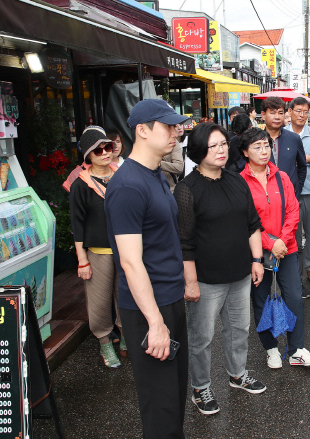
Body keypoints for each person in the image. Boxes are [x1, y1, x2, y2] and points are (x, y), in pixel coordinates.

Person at [105, 99, 190, 439]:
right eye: (167, 126)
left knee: (175, 399)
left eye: (176, 126)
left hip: (169, 298)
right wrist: (155, 323)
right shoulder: (127, 185)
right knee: (161, 408)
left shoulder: (154, 174)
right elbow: (129, 261)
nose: (176, 132)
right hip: (147, 308)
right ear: (142, 130)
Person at [175, 123, 266, 417]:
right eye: (214, 146)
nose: (221, 150)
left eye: (224, 144)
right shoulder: (187, 189)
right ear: (199, 150)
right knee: (202, 337)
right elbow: (185, 243)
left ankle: (237, 374)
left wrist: (257, 259)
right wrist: (191, 282)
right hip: (206, 278)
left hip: (240, 271)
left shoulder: (236, 180)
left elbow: (252, 223)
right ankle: (200, 387)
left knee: (239, 328)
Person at [239, 127, 310, 368]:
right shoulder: (240, 183)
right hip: (257, 253)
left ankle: (296, 349)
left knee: (294, 297)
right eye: (257, 147)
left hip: (287, 248)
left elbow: (293, 210)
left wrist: (282, 240)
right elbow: (244, 222)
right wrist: (271, 243)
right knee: (261, 300)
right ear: (245, 152)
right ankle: (271, 348)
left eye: (266, 146)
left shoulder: (282, 176)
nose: (264, 151)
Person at [70, 126, 124, 368]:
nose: (105, 153)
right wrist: (83, 260)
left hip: (125, 249)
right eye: (98, 150)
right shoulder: (80, 184)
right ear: (87, 156)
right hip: (98, 252)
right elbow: (77, 223)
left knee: (126, 296)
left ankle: (125, 338)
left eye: (108, 147)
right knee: (100, 301)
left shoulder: (121, 175)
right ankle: (104, 342)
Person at [286, 97, 310, 285]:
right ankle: (294, 271)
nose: (302, 115)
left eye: (305, 111)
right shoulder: (282, 133)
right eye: (298, 111)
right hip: (288, 192)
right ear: (290, 111)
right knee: (292, 233)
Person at [261, 96, 307, 199]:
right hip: (264, 197)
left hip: (289, 197)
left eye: (280, 113)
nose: (277, 117)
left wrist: (297, 190)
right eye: (272, 113)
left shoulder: (294, 139)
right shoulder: (255, 140)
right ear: (263, 115)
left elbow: (302, 166)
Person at [161, 126, 185, 193]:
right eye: (175, 126)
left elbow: (179, 167)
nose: (179, 128)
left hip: (170, 189)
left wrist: (158, 163)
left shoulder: (174, 142)